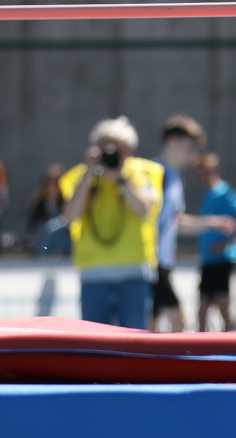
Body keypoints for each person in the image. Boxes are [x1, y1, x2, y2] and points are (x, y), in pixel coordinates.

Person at [60, 117, 163, 329]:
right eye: (105, 147)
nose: (111, 153)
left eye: (118, 149)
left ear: (129, 151)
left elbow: (144, 210)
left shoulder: (145, 172)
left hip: (134, 272)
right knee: (96, 342)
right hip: (94, 274)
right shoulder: (79, 176)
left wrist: (121, 179)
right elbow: (70, 217)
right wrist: (89, 173)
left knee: (133, 341)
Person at [150, 115, 236, 332]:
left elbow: (176, 222)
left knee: (151, 327)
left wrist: (213, 223)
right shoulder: (153, 174)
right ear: (172, 141)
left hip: (163, 264)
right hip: (150, 264)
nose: (193, 155)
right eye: (189, 147)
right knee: (177, 324)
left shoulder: (175, 178)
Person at [194, 152, 236, 332]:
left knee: (222, 306)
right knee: (203, 309)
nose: (200, 177)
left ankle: (230, 342)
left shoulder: (223, 192)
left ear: (214, 171)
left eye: (203, 172)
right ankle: (202, 345)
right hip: (208, 260)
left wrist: (230, 243)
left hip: (220, 261)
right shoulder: (206, 194)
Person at [27, 164, 70, 257]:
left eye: (55, 183)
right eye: (49, 183)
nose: (52, 187)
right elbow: (34, 228)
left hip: (63, 250)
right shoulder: (38, 205)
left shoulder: (66, 204)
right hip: (43, 248)